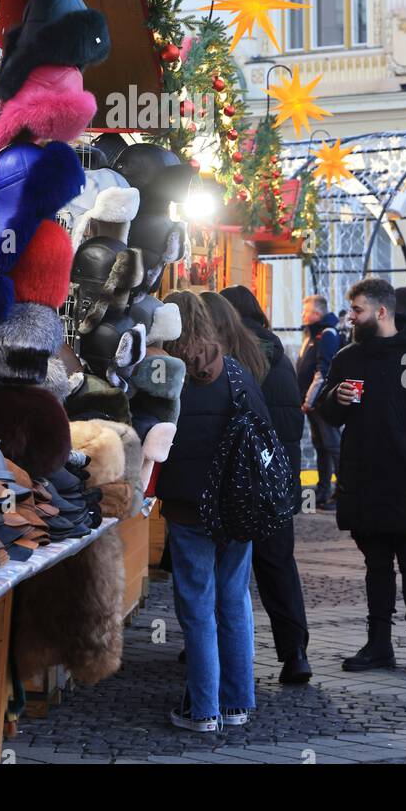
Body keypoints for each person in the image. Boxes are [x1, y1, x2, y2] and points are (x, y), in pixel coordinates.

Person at [320, 277, 406, 677]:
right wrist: (335, 398)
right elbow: (330, 414)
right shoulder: (348, 358)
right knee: (375, 564)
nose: (350, 317)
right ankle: (378, 645)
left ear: (380, 312)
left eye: (357, 310)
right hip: (363, 478)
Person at [156, 290, 271, 733]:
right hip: (237, 508)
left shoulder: (166, 375)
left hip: (188, 511)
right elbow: (265, 435)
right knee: (235, 601)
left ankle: (203, 710)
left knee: (198, 608)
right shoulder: (238, 373)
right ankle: (238, 703)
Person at [208, 287, 311, 685]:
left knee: (223, 565)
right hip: (276, 481)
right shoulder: (279, 353)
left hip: (237, 480)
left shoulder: (230, 355)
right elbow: (291, 422)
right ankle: (295, 653)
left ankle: (212, 648)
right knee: (277, 565)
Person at [296, 294, 342, 510]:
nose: (303, 315)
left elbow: (322, 372)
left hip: (322, 402)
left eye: (306, 312)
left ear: (316, 314)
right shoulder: (312, 335)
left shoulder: (327, 335)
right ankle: (323, 489)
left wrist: (309, 399)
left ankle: (342, 491)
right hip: (313, 403)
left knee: (333, 445)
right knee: (320, 445)